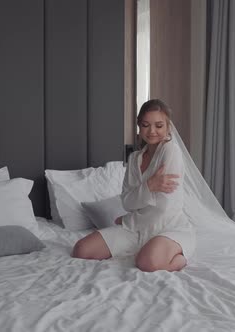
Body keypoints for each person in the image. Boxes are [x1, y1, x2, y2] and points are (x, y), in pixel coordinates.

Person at [72, 99, 195, 272]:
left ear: (168, 128)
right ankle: (145, 248)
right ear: (139, 126)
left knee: (146, 263)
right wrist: (150, 186)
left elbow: (163, 206)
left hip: (168, 227)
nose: (152, 131)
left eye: (159, 126)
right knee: (81, 250)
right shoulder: (134, 158)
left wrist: (131, 214)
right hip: (135, 229)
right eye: (146, 125)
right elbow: (127, 203)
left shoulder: (171, 151)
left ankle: (178, 259)